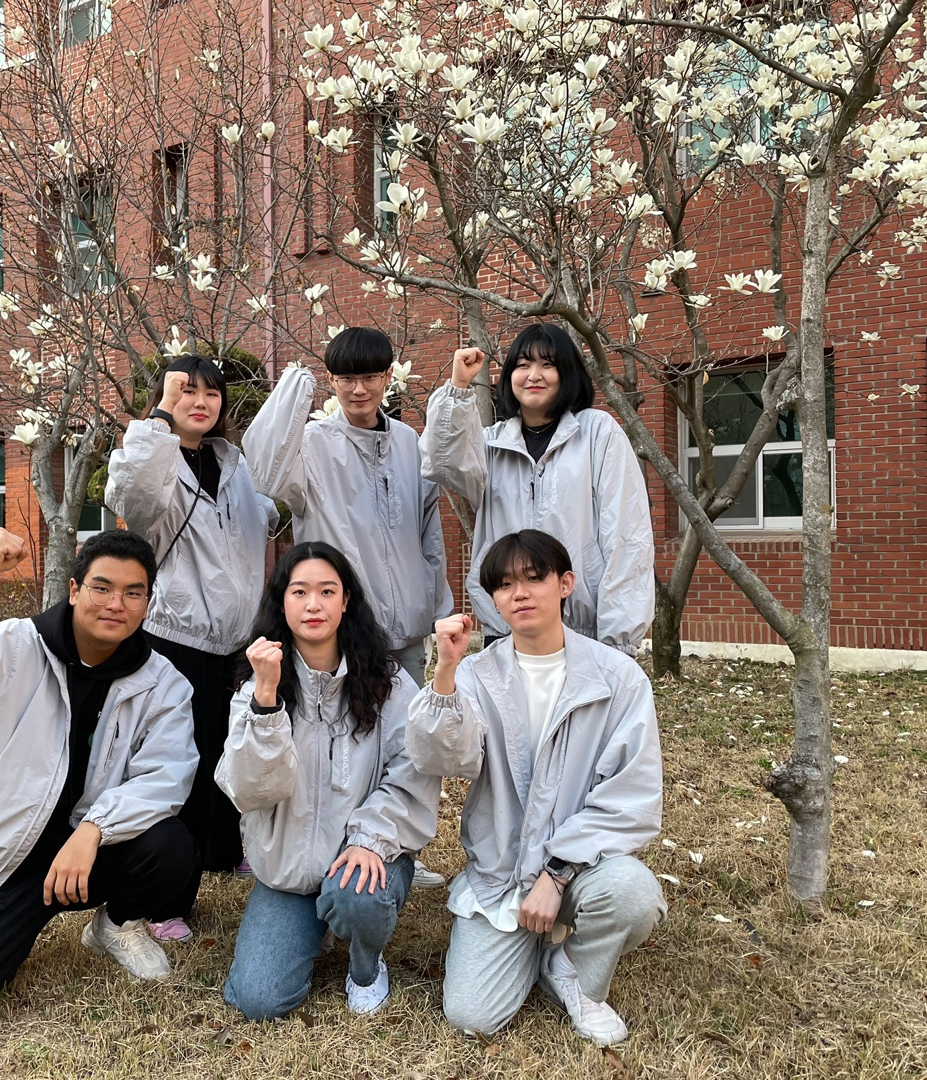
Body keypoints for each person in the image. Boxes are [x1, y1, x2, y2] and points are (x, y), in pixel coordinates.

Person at [0, 528, 199, 1039]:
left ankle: (115, 925)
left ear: (148, 602)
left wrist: (94, 830)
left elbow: (166, 777)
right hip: (15, 854)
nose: (116, 604)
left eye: (133, 593)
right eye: (102, 587)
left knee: (172, 845)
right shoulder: (16, 648)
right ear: (75, 589)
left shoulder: (162, 682)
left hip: (94, 852)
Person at [407, 529, 665, 1045]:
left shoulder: (617, 679)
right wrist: (446, 672)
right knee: (471, 1016)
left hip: (582, 868)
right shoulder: (477, 674)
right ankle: (533, 945)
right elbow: (441, 759)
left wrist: (557, 872)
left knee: (633, 895)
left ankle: (572, 969)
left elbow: (631, 798)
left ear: (565, 584)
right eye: (504, 585)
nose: (519, 594)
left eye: (533, 578)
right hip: (502, 875)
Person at [244, 328, 452, 889]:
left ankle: (394, 848)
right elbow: (262, 470)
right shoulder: (312, 443)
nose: (359, 389)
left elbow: (429, 534)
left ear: (388, 377)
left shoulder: (409, 443)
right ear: (332, 381)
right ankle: (328, 849)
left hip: (406, 630)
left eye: (370, 376)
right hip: (342, 629)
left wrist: (434, 606)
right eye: (346, 378)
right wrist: (295, 389)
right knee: (344, 744)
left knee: (404, 747)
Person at [217, 542, 440, 1019]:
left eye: (326, 591)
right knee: (259, 999)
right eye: (299, 592)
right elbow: (249, 790)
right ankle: (313, 921)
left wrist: (368, 841)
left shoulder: (388, 683)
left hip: (366, 858)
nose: (313, 604)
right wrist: (266, 700)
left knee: (356, 896)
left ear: (346, 601)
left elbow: (412, 773)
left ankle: (365, 966)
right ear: (282, 602)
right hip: (290, 873)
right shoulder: (257, 687)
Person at [105, 355, 279, 943]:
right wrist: (157, 420)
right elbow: (131, 498)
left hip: (236, 635)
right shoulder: (153, 458)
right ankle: (166, 899)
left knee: (230, 746)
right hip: (177, 636)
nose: (199, 402)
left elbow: (261, 517)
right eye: (185, 391)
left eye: (210, 392)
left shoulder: (233, 463)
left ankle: (224, 849)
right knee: (182, 760)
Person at [420, 324, 654, 653]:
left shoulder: (597, 433)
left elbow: (626, 539)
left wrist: (619, 641)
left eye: (548, 364)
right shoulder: (491, 444)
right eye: (523, 365)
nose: (534, 375)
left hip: (583, 631)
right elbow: (441, 461)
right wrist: (458, 388)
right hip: (506, 628)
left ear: (567, 373)